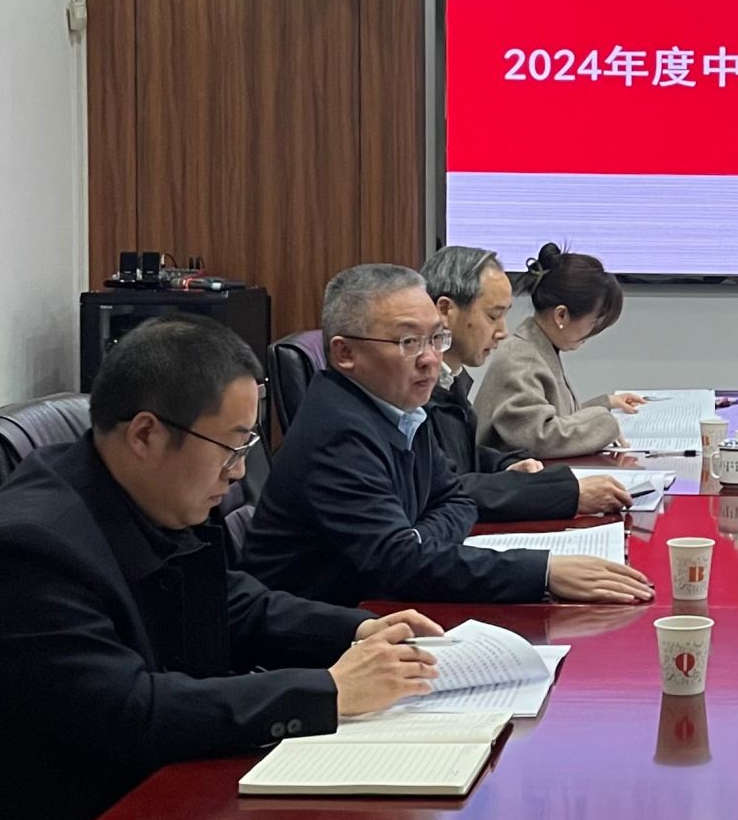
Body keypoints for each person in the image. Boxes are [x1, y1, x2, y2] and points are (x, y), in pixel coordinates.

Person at [0, 316, 444, 820]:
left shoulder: (136, 494)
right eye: (232, 446)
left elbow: (225, 601)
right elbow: (127, 712)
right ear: (146, 434)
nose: (239, 471)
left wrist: (355, 630)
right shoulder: (24, 549)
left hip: (112, 817)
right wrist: (329, 691)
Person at [241, 264, 653, 607]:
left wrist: (419, 535)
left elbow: (455, 500)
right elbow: (401, 563)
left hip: (380, 609)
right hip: (325, 636)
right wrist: (543, 572)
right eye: (408, 342)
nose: (430, 360)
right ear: (345, 353)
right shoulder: (338, 433)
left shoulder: (401, 407)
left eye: (436, 339)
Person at [421, 244, 632, 519]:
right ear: (445, 310)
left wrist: (508, 466)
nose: (502, 331)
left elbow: (465, 459)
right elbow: (444, 488)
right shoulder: (413, 394)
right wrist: (564, 493)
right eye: (493, 316)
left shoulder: (451, 381)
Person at [475, 243, 646, 459]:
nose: (592, 333)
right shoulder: (522, 359)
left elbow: (556, 418)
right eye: (594, 322)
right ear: (561, 315)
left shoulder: (537, 346)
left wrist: (606, 403)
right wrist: (605, 423)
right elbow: (538, 437)